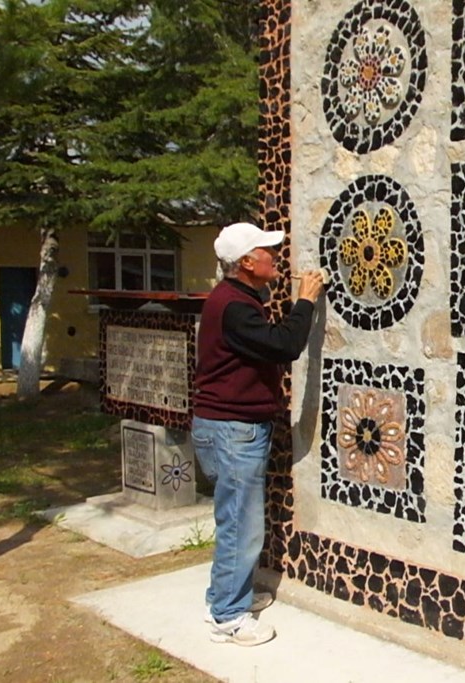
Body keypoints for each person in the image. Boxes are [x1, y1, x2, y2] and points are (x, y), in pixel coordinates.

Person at [191, 221, 324, 646]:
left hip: (229, 429)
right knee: (241, 525)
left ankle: (228, 596)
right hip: (233, 432)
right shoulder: (233, 306)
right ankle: (227, 618)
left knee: (235, 518)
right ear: (247, 262)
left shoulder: (236, 298)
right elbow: (284, 345)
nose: (275, 257)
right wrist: (305, 301)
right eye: (266, 252)